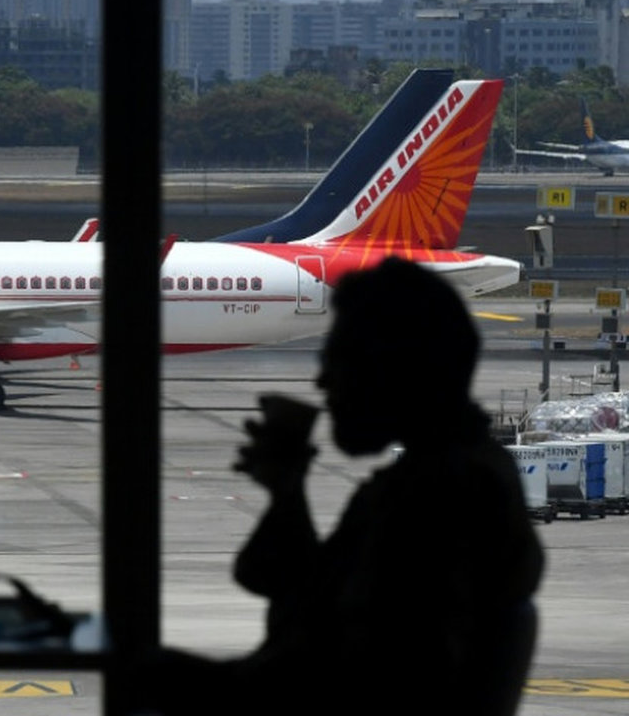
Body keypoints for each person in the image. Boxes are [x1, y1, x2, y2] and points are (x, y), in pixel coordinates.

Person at [148, 257, 545, 716]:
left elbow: (329, 678)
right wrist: (287, 490)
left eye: (339, 362)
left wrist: (161, 672)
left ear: (393, 369)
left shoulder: (437, 502)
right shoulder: (439, 479)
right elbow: (297, 596)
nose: (322, 383)